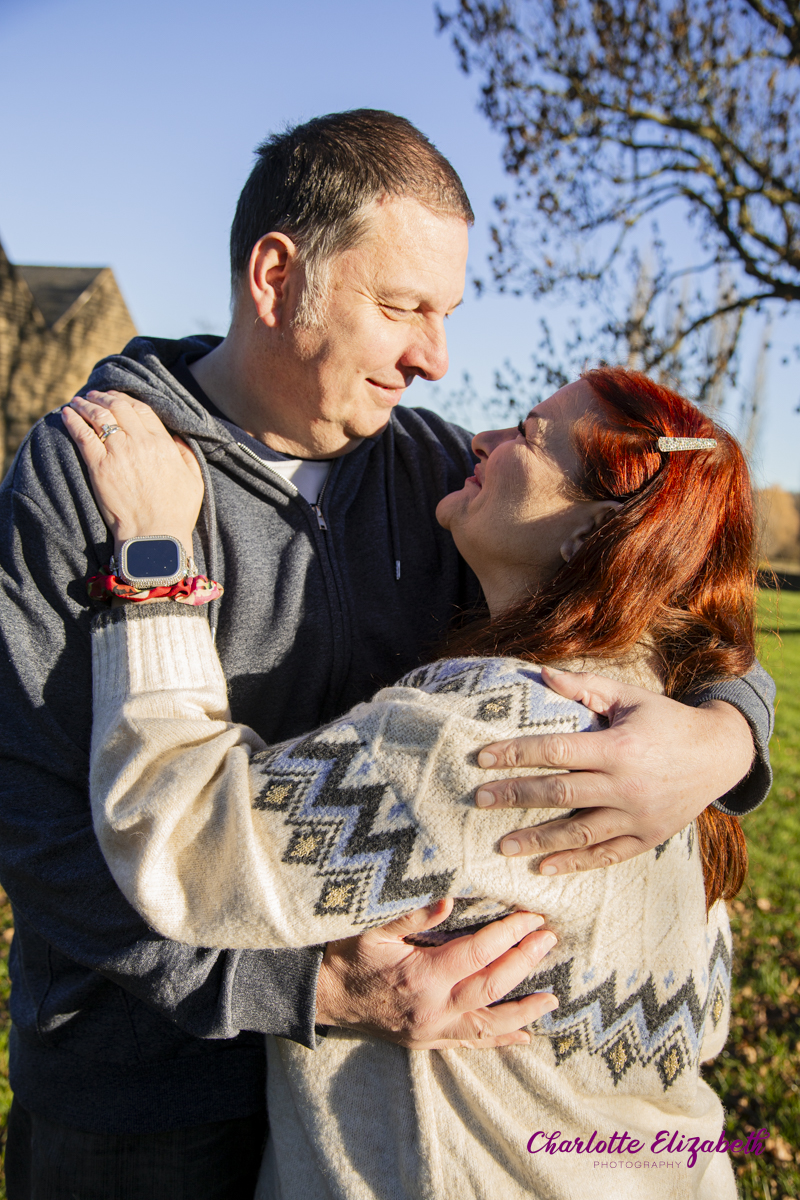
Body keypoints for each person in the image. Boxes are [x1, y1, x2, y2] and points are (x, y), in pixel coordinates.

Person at [0, 110, 772, 1196]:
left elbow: (640, 580)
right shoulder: (95, 473)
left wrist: (721, 733)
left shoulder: (432, 474)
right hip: (137, 1094)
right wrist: (302, 989)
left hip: (359, 1124)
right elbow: (32, 821)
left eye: (447, 312)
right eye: (403, 307)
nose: (435, 356)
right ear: (276, 276)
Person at [67, 365, 753, 1199]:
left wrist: (155, 563)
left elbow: (174, 836)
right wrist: (735, 730)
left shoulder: (486, 738)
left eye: (527, 436)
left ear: (589, 538)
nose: (483, 440)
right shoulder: (671, 738)